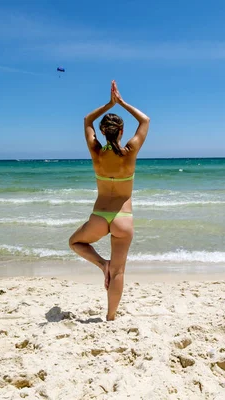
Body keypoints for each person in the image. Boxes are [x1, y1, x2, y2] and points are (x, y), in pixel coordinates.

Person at [69, 80, 150, 321]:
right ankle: (111, 316)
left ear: (103, 132)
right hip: (123, 218)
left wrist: (108, 104)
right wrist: (122, 102)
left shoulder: (96, 151)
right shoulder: (130, 151)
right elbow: (145, 121)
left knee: (75, 243)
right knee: (119, 271)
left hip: (99, 216)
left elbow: (86, 120)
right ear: (122, 132)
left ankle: (101, 264)